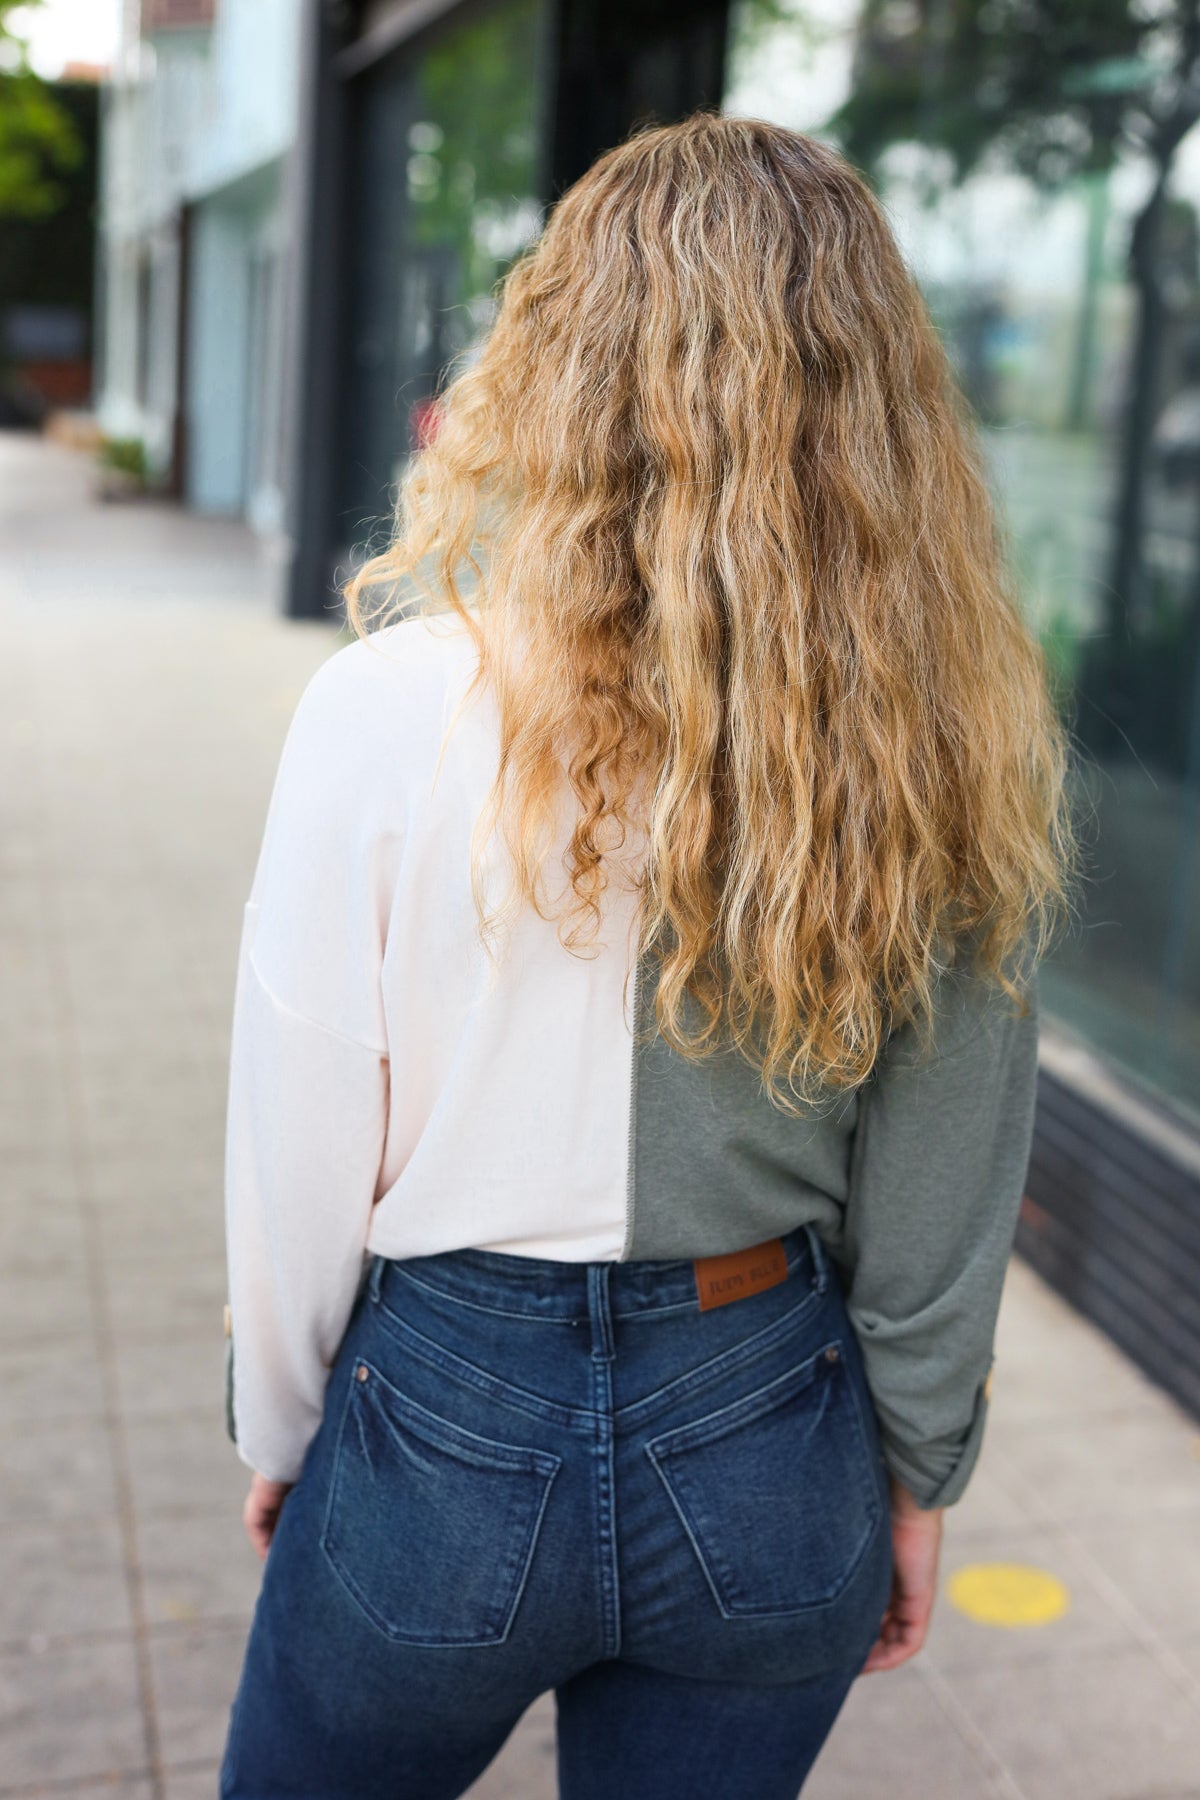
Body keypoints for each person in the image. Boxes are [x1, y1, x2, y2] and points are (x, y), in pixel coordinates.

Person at [218, 112, 1077, 1800]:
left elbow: (295, 1135)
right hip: (771, 1426)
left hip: (438, 1419)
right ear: (876, 409)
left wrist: (283, 1423)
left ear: (561, 362)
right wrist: (918, 1483)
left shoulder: (384, 709)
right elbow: (943, 1189)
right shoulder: (930, 741)